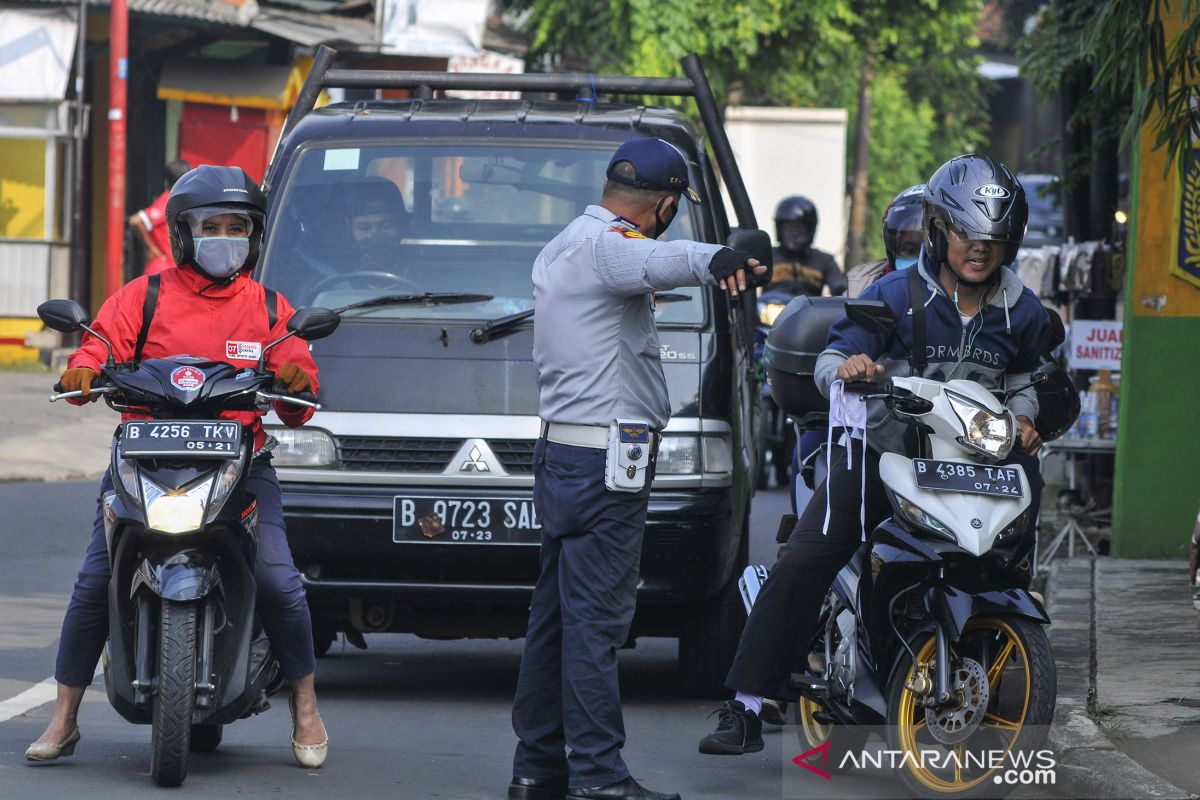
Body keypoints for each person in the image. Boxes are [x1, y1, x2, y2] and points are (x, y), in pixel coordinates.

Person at [699, 154, 1050, 755]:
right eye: (967, 232)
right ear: (941, 228)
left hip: (975, 465)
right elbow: (834, 359)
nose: (980, 249)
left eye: (995, 238)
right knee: (807, 556)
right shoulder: (894, 295)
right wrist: (852, 368)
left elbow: (1033, 380)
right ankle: (747, 705)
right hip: (883, 454)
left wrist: (1027, 418)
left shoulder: (1025, 313)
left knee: (1012, 552)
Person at [26, 165, 329, 769]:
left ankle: (306, 706)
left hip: (240, 467)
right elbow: (98, 345)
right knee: (93, 581)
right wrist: (82, 369)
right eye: (211, 226)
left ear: (254, 235)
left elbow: (301, 390)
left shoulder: (267, 306)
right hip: (145, 460)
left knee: (279, 582)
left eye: (237, 227)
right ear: (184, 235)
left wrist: (298, 378)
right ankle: (63, 718)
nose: (225, 238)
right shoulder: (146, 295)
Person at [508, 137, 765, 800]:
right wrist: (721, 258)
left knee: (555, 618)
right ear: (668, 202)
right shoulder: (611, 247)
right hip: (603, 464)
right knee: (595, 622)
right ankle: (598, 776)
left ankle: (537, 768)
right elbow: (660, 258)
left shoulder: (564, 242)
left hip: (563, 454)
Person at [846, 184, 926, 298]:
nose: (920, 262)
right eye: (910, 249)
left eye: (927, 251)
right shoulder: (862, 285)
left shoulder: (956, 294)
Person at [767, 196, 845, 296]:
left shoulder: (824, 260)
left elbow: (838, 284)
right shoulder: (767, 256)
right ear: (779, 229)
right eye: (789, 228)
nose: (794, 234)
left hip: (809, 310)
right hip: (769, 308)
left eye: (799, 228)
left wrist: (840, 288)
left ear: (810, 230)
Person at [128, 159, 192, 277]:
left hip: (169, 270)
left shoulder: (176, 202)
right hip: (162, 271)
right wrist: (152, 248)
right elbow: (136, 220)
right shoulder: (168, 202)